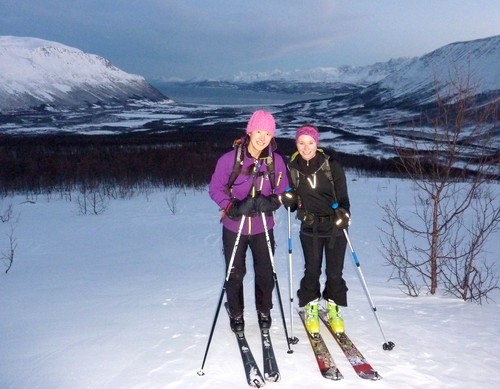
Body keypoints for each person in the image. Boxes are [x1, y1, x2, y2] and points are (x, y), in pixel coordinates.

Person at [209, 110, 289, 333]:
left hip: (264, 225)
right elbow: (215, 189)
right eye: (259, 131)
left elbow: (284, 190)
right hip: (235, 226)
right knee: (235, 272)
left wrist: (273, 201)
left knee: (265, 272)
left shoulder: (276, 161)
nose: (262, 137)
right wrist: (232, 207)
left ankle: (264, 310)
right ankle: (236, 313)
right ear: (250, 131)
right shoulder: (230, 159)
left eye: (267, 133)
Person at [281, 124, 351, 335]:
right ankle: (311, 306)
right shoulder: (292, 167)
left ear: (316, 143)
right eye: (301, 143)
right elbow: (291, 204)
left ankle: (333, 307)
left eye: (310, 142)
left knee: (334, 272)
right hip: (309, 227)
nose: (306, 147)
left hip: (334, 227)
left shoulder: (331, 165)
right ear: (296, 144)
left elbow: (344, 197)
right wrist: (288, 199)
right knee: (312, 270)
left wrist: (344, 214)